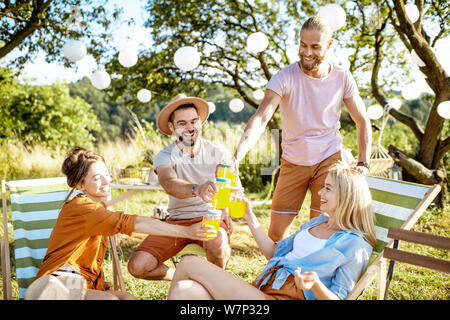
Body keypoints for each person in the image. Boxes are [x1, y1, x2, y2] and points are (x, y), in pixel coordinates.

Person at [233, 16, 372, 241]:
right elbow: (261, 117)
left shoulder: (342, 77)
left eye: (315, 47)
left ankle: (312, 275)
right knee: (276, 232)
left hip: (329, 158)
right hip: (293, 161)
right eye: (303, 45)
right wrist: (237, 156)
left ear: (329, 45)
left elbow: (362, 120)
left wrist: (363, 162)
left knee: (324, 229)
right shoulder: (284, 77)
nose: (307, 52)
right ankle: (281, 274)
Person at [168, 163, 377, 300]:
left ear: (346, 197)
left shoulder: (355, 245)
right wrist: (250, 216)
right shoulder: (316, 223)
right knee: (184, 291)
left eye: (328, 188)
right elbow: (274, 252)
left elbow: (339, 298)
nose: (320, 192)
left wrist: (314, 285)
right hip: (264, 290)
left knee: (189, 263)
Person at [30, 146, 215, 300]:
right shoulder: (83, 208)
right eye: (96, 178)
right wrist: (187, 231)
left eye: (107, 174)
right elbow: (135, 223)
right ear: (80, 184)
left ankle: (65, 293)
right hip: (62, 274)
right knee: (109, 299)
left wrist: (98, 283)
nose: (106, 181)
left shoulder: (97, 207)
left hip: (86, 282)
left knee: (128, 298)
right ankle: (54, 290)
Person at [127, 93, 234, 282]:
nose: (190, 128)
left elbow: (227, 185)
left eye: (194, 121)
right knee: (137, 266)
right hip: (176, 222)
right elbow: (169, 183)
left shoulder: (218, 151)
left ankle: (216, 286)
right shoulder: (165, 155)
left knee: (217, 237)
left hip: (210, 217)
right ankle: (183, 276)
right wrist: (197, 189)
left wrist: (224, 209)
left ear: (200, 122)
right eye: (182, 123)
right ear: (172, 127)